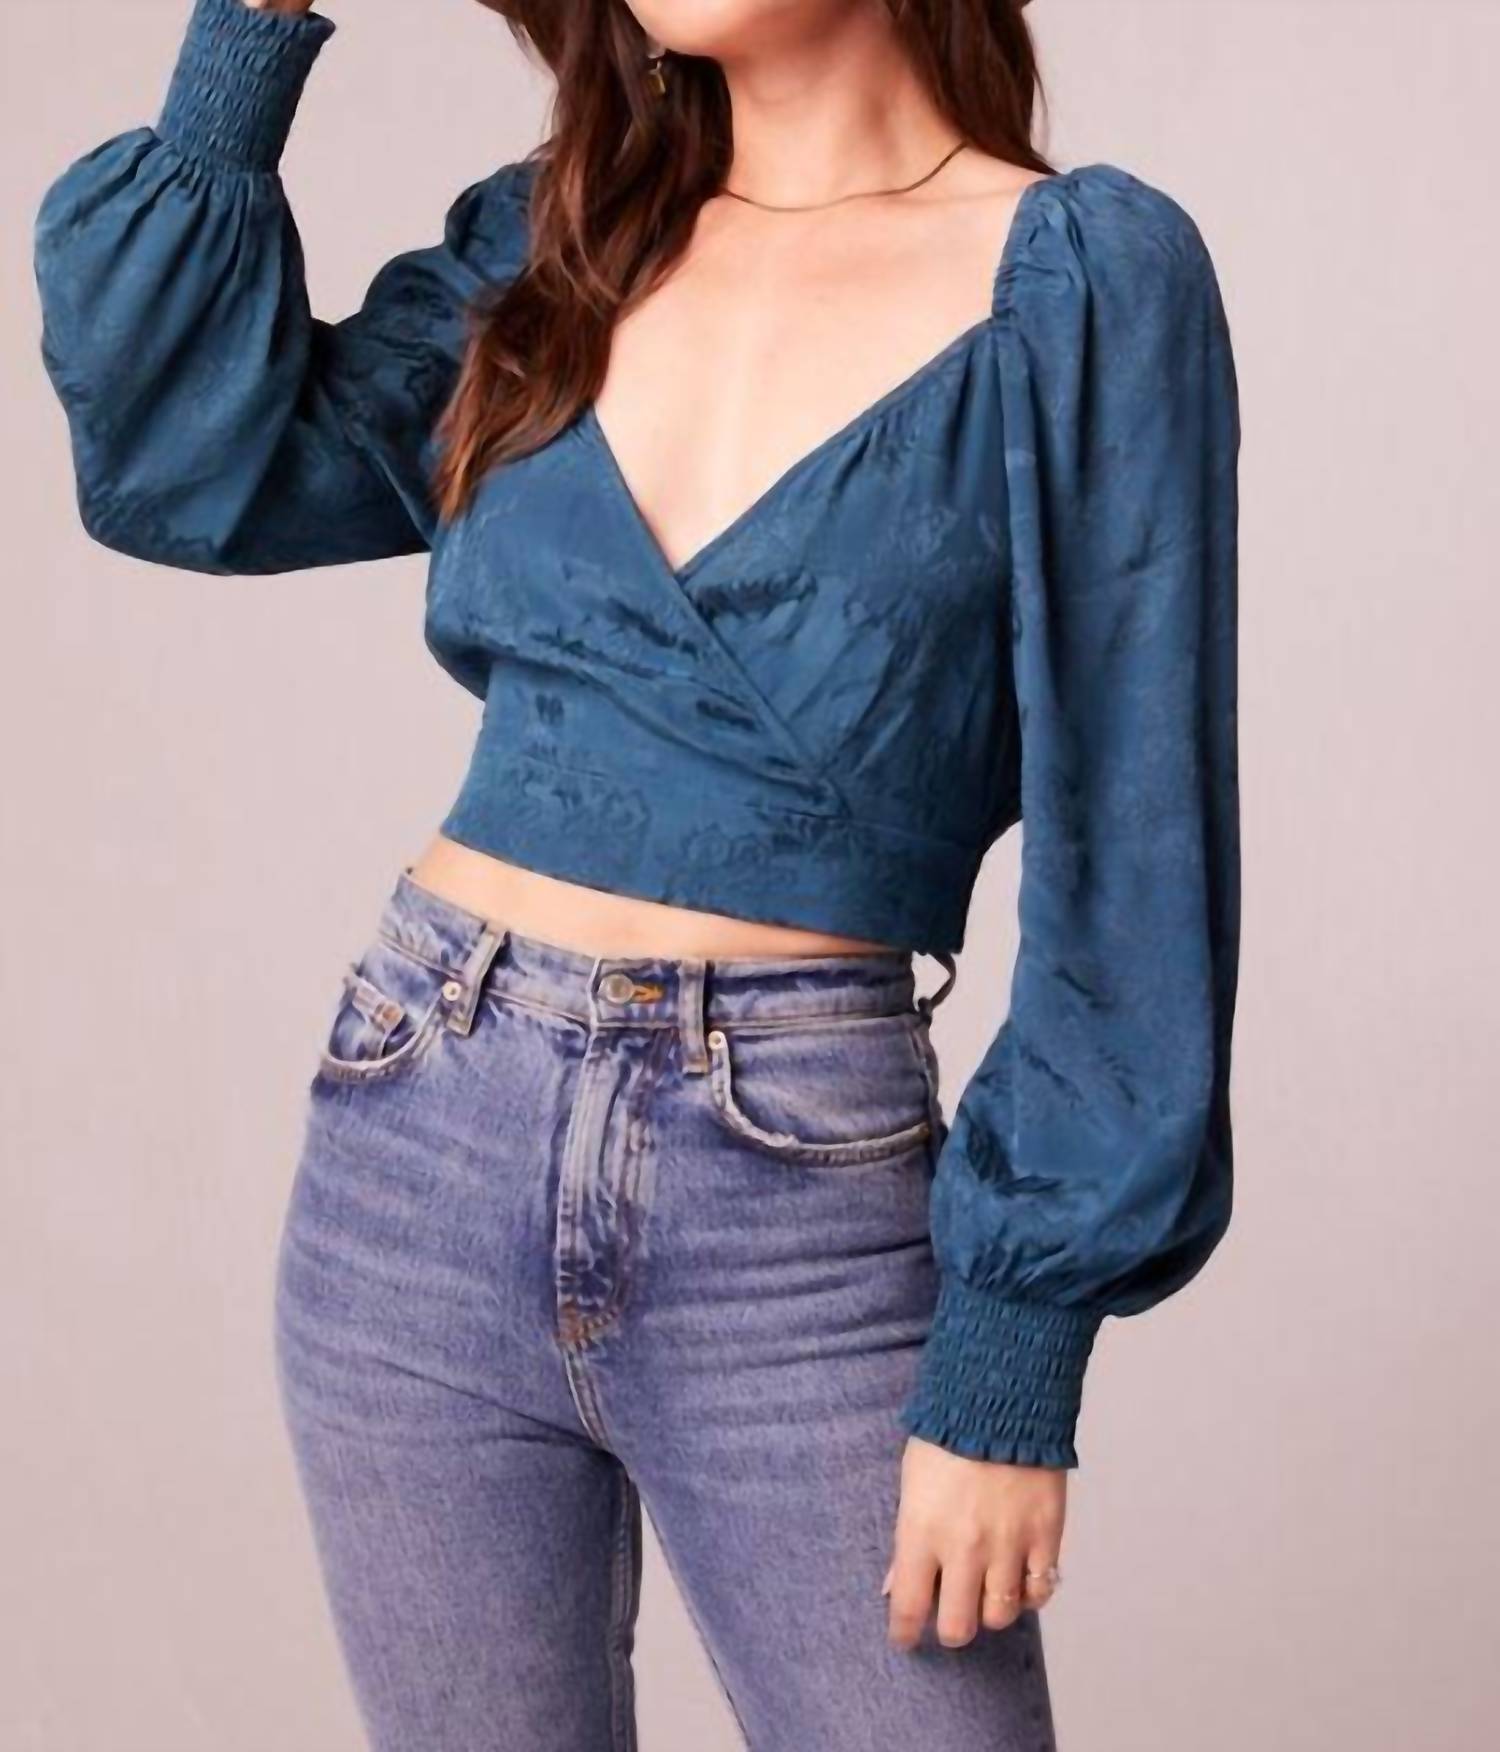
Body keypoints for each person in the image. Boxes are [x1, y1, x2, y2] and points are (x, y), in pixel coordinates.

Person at [32, 0, 1241, 1746]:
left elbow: (1136, 843)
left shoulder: (1080, 280)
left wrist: (1012, 1358)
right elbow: (183, 462)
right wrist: (252, 29)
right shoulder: (558, 240)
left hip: (796, 1195)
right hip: (418, 1133)